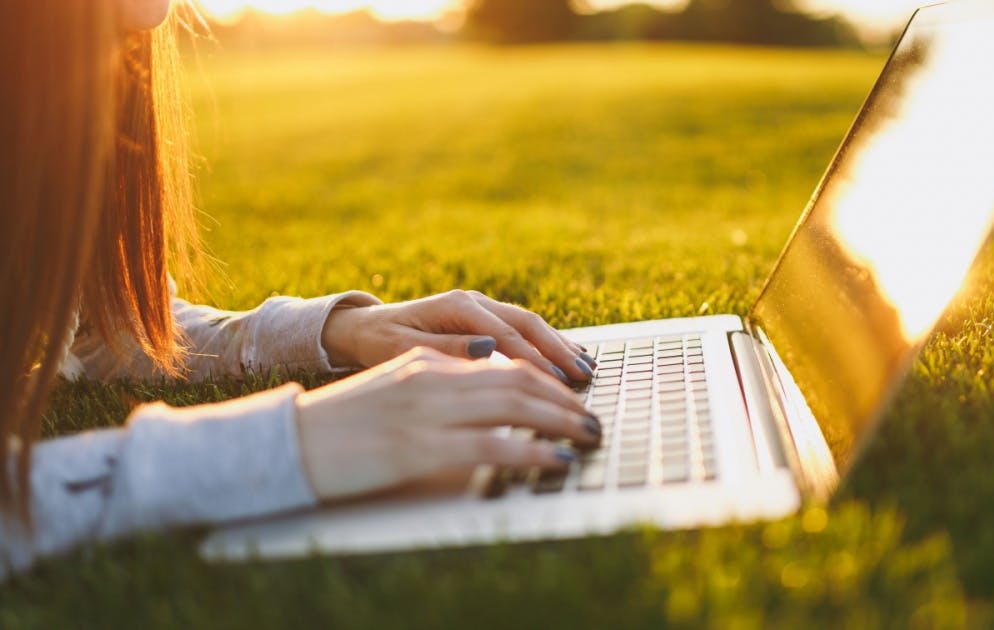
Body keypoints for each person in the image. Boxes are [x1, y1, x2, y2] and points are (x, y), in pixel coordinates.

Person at [0, 0, 600, 573]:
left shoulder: (75, 83)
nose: (157, 13)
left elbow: (109, 334)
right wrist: (282, 447)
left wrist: (339, 330)